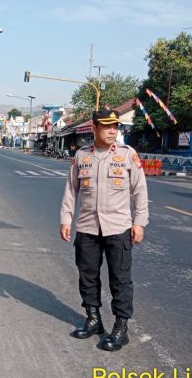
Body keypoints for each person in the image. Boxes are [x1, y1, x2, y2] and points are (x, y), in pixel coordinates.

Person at [59, 110, 149, 352]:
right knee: (87, 275)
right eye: (107, 126)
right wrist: (65, 219)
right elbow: (71, 191)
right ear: (95, 128)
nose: (113, 131)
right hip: (87, 226)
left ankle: (121, 327)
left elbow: (140, 190)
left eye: (115, 126)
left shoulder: (127, 155)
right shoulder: (81, 156)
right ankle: (93, 319)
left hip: (118, 228)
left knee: (120, 279)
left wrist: (139, 222)